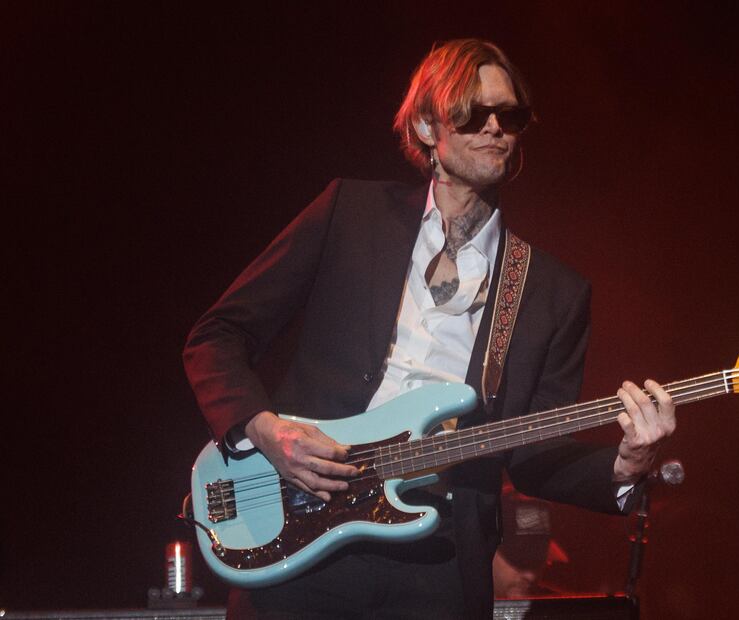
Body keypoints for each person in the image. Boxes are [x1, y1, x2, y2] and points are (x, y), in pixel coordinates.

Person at [184, 38, 676, 619]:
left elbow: (535, 453)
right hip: (304, 528)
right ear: (425, 127)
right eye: (473, 113)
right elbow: (216, 337)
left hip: (439, 559)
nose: (496, 127)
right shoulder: (350, 214)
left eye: (510, 115)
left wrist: (628, 465)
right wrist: (269, 432)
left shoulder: (551, 292)